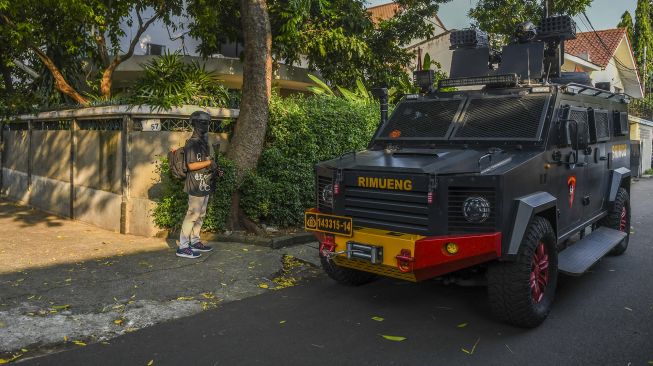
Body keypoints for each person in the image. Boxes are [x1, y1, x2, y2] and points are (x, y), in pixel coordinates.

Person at [176, 111, 220, 259]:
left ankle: (194, 241)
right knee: (192, 215)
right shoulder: (192, 143)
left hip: (205, 184)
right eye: (203, 123)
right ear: (195, 124)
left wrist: (215, 168)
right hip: (195, 185)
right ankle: (183, 247)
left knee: (201, 215)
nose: (206, 125)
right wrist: (209, 162)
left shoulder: (203, 142)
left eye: (207, 122)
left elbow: (206, 161)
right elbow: (191, 165)